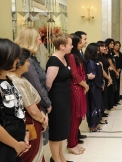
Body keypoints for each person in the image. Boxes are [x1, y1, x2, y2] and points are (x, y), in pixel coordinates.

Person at [7, 48, 48, 162]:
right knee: (32, 155)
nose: (29, 63)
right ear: (18, 63)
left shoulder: (20, 78)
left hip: (34, 119)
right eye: (27, 61)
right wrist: (42, 119)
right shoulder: (16, 81)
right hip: (31, 121)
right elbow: (32, 109)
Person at [15, 27, 51, 146]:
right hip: (35, 105)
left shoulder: (31, 58)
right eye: (39, 39)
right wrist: (48, 103)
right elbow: (36, 85)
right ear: (31, 40)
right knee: (36, 142)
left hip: (37, 103)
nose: (41, 42)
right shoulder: (26, 60)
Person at [0, 38, 31, 162]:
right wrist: (16, 145)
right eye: (15, 57)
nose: (18, 60)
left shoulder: (8, 79)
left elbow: (17, 110)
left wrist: (25, 132)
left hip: (15, 143)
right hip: (5, 145)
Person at [46, 33, 73, 162]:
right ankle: (56, 159)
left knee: (62, 129)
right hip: (56, 99)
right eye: (70, 44)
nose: (72, 46)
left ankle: (61, 157)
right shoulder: (54, 60)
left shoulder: (64, 58)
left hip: (64, 98)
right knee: (56, 131)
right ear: (62, 46)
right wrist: (47, 104)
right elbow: (48, 85)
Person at [65, 34, 88, 155]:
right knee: (75, 116)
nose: (84, 42)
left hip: (80, 87)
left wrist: (84, 85)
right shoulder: (71, 56)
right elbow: (74, 73)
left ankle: (74, 142)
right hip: (75, 88)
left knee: (79, 117)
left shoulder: (77, 55)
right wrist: (85, 85)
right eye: (82, 41)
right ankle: (71, 144)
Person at [85, 43, 104, 132]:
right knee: (93, 106)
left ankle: (95, 124)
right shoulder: (90, 62)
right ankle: (92, 126)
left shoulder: (95, 61)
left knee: (97, 105)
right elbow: (93, 76)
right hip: (93, 88)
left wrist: (102, 83)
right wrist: (100, 84)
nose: (98, 51)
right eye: (96, 50)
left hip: (97, 87)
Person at [113, 41, 122, 105]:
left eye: (119, 45)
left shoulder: (120, 53)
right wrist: (116, 71)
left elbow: (121, 62)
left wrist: (119, 69)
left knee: (118, 84)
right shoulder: (111, 53)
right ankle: (113, 101)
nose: (118, 47)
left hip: (118, 71)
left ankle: (117, 100)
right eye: (116, 45)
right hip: (113, 71)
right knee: (114, 85)